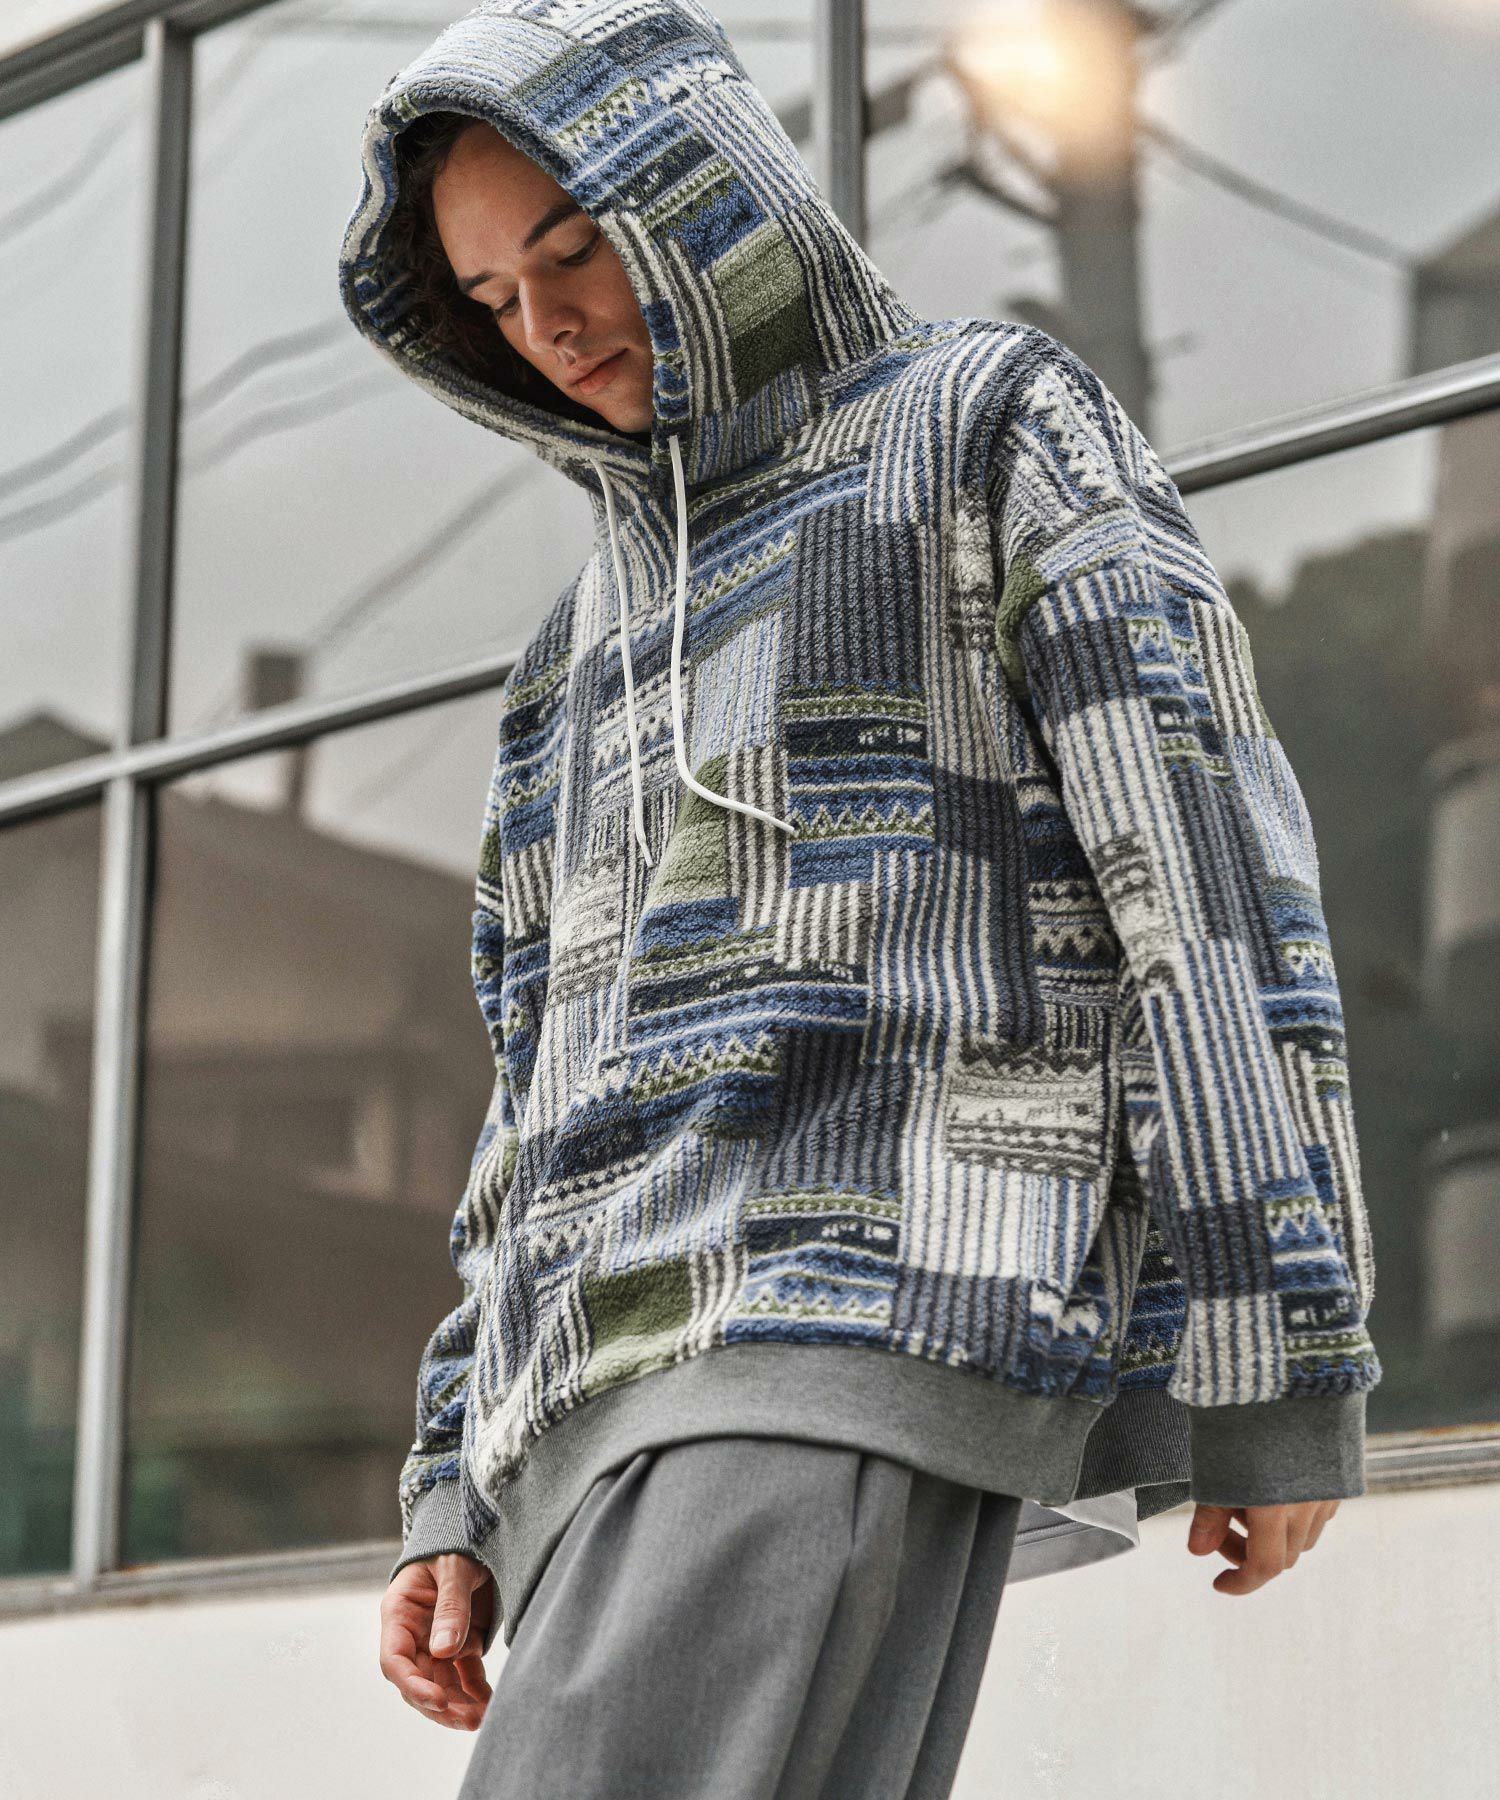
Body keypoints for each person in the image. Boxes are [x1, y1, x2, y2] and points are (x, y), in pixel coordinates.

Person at [338, 3, 1381, 1792]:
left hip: (860, 1308)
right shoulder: (571, 662)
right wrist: (459, 1481)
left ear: (704, 191)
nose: (552, 325)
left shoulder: (983, 425)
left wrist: (1279, 1343)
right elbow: (537, 1096)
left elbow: (1199, 879)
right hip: (611, 1401)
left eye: (574, 248)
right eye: (497, 300)